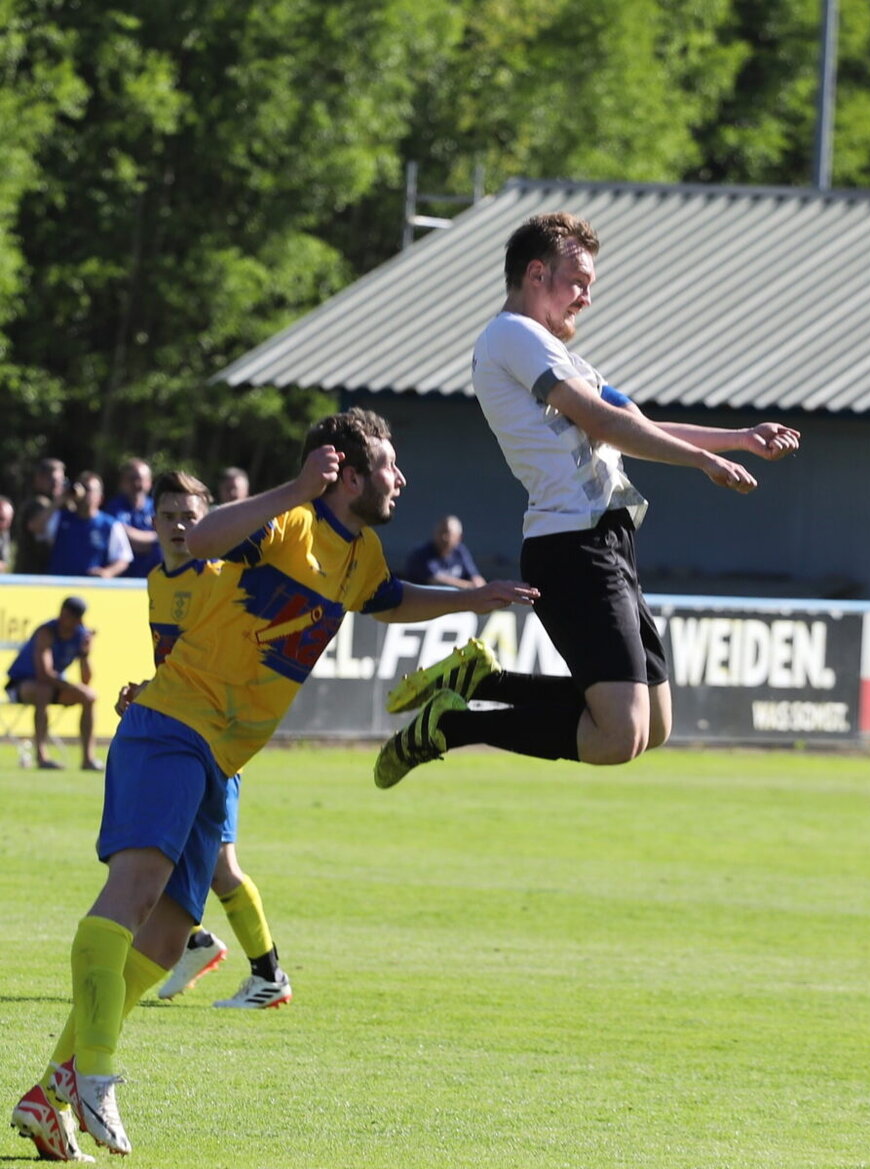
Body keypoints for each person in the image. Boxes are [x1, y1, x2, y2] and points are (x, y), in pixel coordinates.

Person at [11, 407, 537, 1160]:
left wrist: (471, 597)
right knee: (133, 895)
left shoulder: (362, 552)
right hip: (173, 726)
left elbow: (389, 601)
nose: (401, 477)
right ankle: (94, 1072)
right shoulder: (290, 522)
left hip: (221, 757)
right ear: (346, 474)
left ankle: (49, 1094)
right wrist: (295, 487)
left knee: (168, 935)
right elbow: (203, 538)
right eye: (389, 465)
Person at [374, 212, 800, 788]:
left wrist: (738, 438)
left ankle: (481, 682)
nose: (586, 298)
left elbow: (635, 426)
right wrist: (703, 462)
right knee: (618, 735)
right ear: (536, 274)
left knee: (654, 725)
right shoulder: (512, 335)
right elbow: (602, 421)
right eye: (577, 281)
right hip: (571, 544)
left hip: (608, 540)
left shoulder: (563, 357)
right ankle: (451, 727)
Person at [114, 469, 291, 1010]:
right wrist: (148, 692)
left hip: (215, 739)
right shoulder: (157, 581)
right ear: (152, 521)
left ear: (207, 520)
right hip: (175, 734)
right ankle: (194, 943)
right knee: (156, 852)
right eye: (168, 516)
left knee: (218, 866)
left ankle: (268, 974)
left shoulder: (221, 578)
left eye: (189, 517)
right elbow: (181, 663)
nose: (178, 526)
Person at [4, 596, 100, 771]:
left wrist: (85, 654)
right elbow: (44, 674)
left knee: (89, 696)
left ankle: (88, 759)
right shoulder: (46, 632)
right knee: (44, 691)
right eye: (65, 614)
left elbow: (86, 680)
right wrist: (72, 687)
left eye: (71, 617)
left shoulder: (80, 635)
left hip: (52, 686)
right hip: (21, 685)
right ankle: (42, 757)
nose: (65, 619)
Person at [41, 472, 133, 578]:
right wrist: (60, 500)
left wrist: (108, 572)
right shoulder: (61, 518)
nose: (83, 493)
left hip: (91, 585)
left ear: (100, 498)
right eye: (80, 487)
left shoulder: (109, 525)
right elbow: (35, 527)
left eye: (87, 489)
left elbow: (123, 558)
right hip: (61, 584)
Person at [103, 457, 162, 578]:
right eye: (131, 479)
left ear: (149, 482)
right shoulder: (114, 507)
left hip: (154, 575)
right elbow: (120, 536)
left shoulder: (157, 507)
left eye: (140, 479)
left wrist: (157, 538)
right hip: (123, 578)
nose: (137, 484)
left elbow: (166, 536)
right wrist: (155, 539)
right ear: (122, 482)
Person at [403, 514, 486, 589]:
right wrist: (469, 586)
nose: (443, 537)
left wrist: (480, 587)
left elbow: (475, 576)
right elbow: (435, 580)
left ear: (459, 537)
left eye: (448, 533)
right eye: (440, 532)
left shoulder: (460, 551)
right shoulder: (421, 554)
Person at [13, 457, 66, 574]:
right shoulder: (34, 504)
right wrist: (58, 502)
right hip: (30, 573)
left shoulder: (61, 506)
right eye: (53, 480)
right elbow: (35, 526)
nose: (57, 485)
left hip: (51, 573)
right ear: (39, 478)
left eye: (61, 480)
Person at [0, 494, 13, 571]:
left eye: (9, 520)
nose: (6, 525)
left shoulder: (4, 534)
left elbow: (4, 562)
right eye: (1, 519)